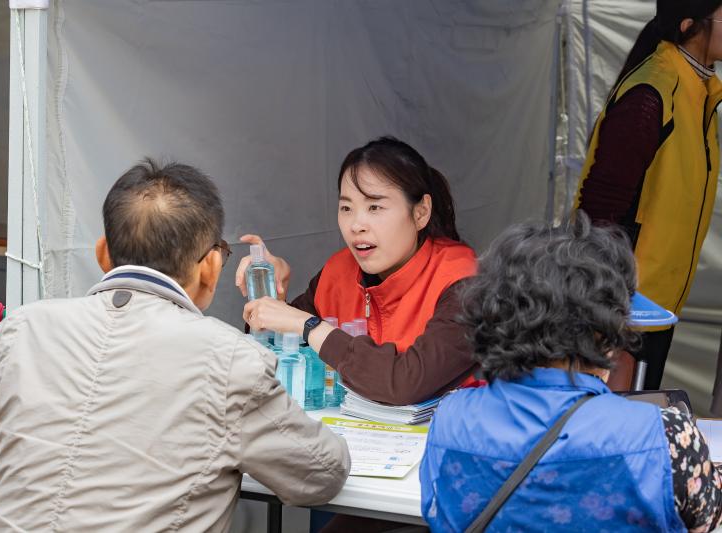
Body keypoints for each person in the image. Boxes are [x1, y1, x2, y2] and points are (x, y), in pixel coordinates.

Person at [0, 159, 350, 532]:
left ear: (103, 254)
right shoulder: (229, 359)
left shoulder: (19, 330)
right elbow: (319, 475)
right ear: (210, 267)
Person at [420, 212, 722, 532]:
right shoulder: (669, 435)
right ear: (605, 332)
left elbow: (437, 507)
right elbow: (707, 520)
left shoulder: (450, 417)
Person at [235, 136, 478, 407]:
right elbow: (275, 361)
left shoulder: (464, 282)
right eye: (346, 208)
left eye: (375, 207)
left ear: (421, 212)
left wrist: (311, 326)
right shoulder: (337, 273)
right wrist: (270, 292)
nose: (356, 225)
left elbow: (404, 383)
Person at [574, 0, 722, 389]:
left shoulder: (700, 93)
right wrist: (607, 310)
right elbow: (599, 208)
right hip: (623, 309)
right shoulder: (653, 93)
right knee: (606, 428)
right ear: (691, 24)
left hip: (658, 306)